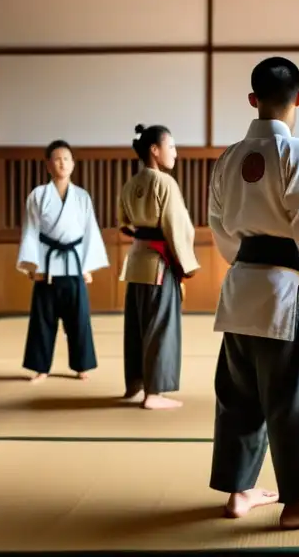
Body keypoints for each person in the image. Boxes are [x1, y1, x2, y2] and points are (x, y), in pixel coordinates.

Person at [207, 56, 299, 531]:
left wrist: (243, 255)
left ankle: (239, 490)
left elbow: (218, 224)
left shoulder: (229, 156)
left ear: (252, 100)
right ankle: (297, 504)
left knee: (239, 394)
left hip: (240, 286)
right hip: (282, 293)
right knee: (297, 396)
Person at [117, 123, 200, 410]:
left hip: (137, 262)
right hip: (159, 266)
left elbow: (124, 223)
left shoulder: (131, 184)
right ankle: (154, 393)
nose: (175, 153)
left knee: (138, 326)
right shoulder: (165, 183)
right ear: (155, 150)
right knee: (160, 327)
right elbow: (178, 229)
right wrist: (186, 265)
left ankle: (135, 385)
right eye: (172, 146)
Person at [17, 140, 108, 384]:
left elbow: (90, 231)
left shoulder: (81, 197)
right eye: (57, 159)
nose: (62, 163)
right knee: (43, 320)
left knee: (79, 319)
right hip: (47, 267)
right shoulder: (38, 195)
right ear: (48, 165)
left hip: (75, 264)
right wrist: (32, 266)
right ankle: (40, 368)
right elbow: (31, 230)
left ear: (73, 164)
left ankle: (82, 365)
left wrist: (87, 268)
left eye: (66, 159)